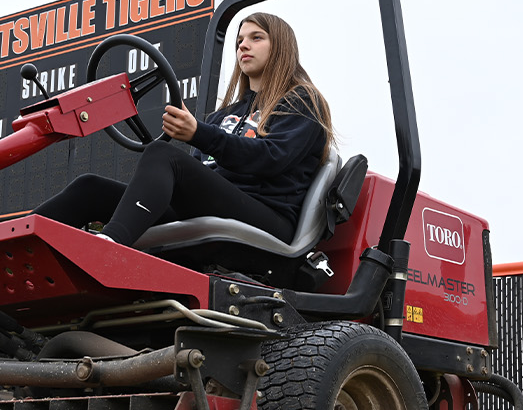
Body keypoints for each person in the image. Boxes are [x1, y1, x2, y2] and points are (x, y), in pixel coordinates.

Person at [32, 12, 334, 246]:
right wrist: (202, 135)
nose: (243, 45)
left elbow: (271, 158)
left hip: (267, 216)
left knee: (163, 154)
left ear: (280, 47)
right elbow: (204, 170)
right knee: (89, 188)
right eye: (240, 40)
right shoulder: (223, 116)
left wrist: (199, 134)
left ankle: (110, 244)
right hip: (216, 208)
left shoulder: (301, 101)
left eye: (256, 38)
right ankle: (18, 243)